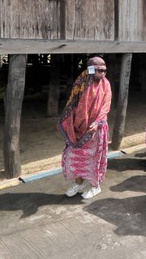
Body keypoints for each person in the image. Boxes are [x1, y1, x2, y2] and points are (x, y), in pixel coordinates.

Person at [59, 57, 112, 199]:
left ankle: (95, 186)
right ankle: (79, 183)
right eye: (100, 70)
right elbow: (72, 104)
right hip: (78, 128)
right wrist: (70, 123)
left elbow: (106, 106)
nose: (103, 73)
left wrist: (97, 123)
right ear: (91, 70)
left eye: (105, 70)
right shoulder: (81, 83)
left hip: (96, 128)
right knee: (72, 156)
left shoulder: (105, 84)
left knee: (94, 159)